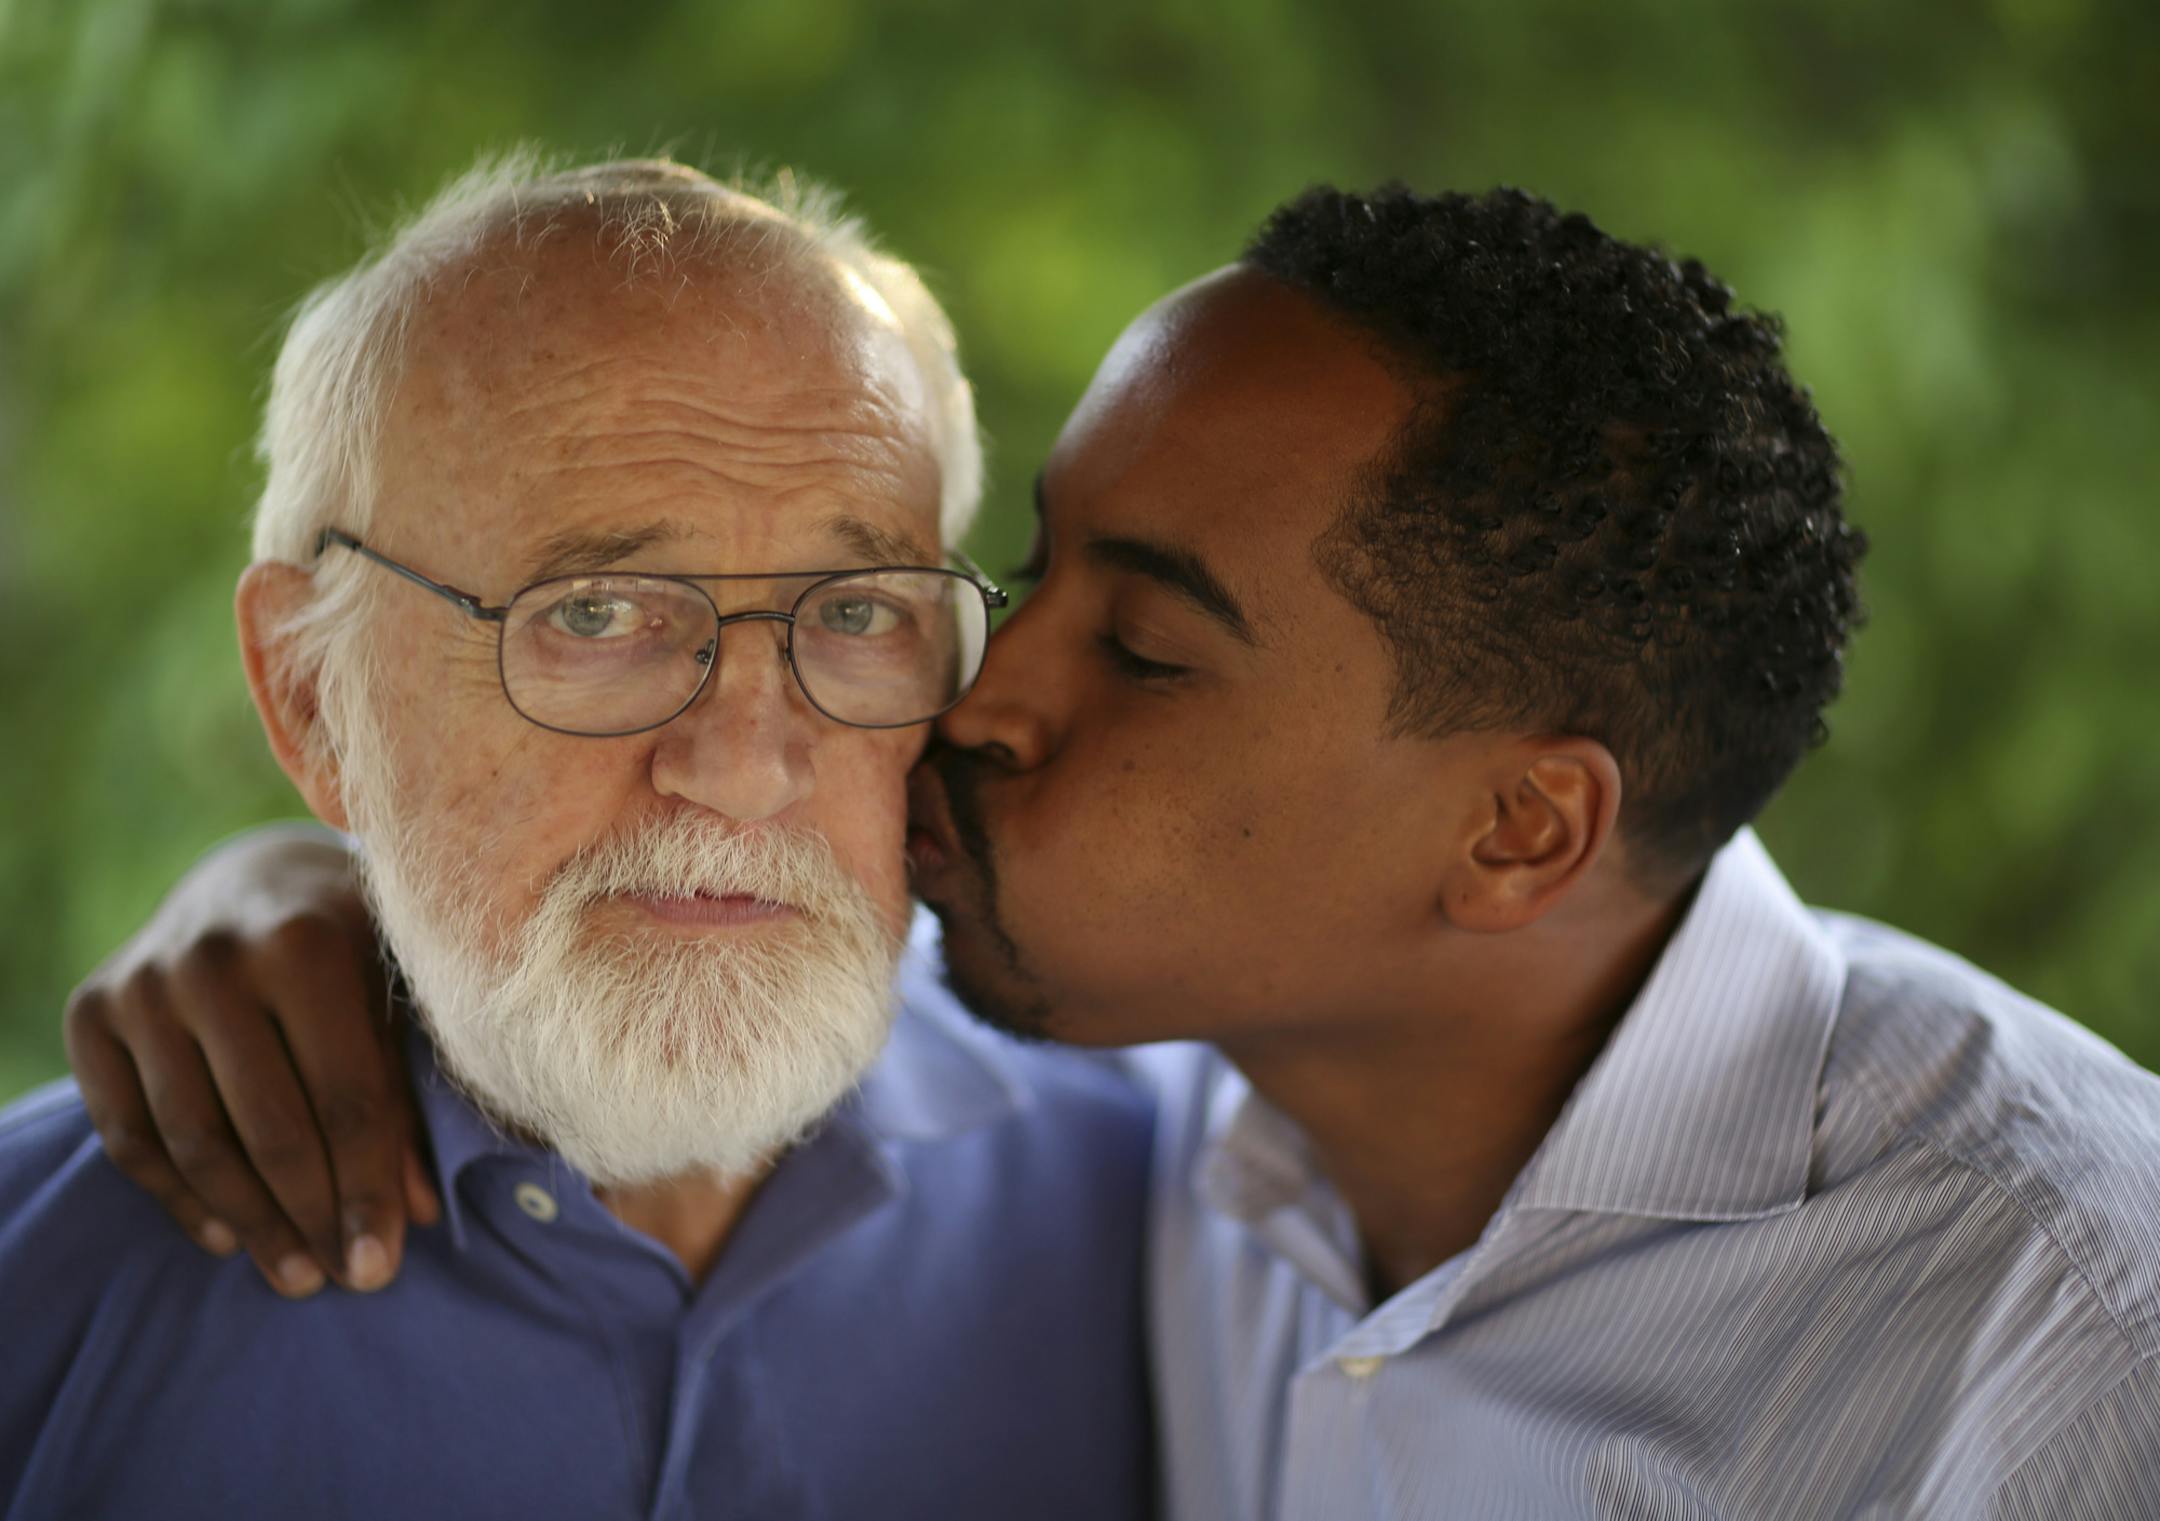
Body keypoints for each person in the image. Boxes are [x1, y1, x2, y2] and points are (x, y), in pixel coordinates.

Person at [60, 181, 2160, 1517]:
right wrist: (306, 870)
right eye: (1019, 572)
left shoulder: (2071, 1339)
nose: (960, 704)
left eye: (1146, 648)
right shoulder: (1196, 1158)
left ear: (1520, 828)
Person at [0, 156, 1158, 1521]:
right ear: (314, 697)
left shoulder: (1168, 1219)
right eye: (596, 613)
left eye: (854, 612)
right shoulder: (39, 1303)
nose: (740, 766)